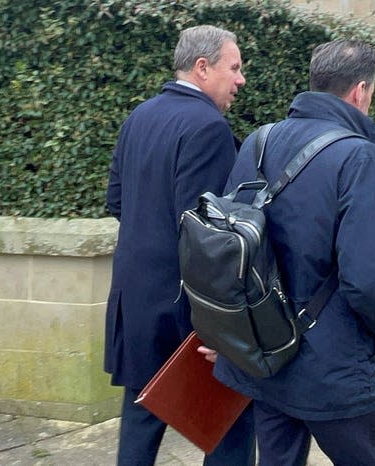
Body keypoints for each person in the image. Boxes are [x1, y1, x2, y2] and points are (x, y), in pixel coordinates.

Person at [213, 39, 375, 466]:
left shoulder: (258, 142)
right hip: (333, 368)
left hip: (267, 355)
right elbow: (370, 281)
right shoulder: (358, 156)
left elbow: (225, 248)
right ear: (360, 91)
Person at [104, 25, 254, 466]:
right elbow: (207, 238)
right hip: (187, 311)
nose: (240, 79)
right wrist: (224, 326)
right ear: (202, 67)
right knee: (228, 422)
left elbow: (117, 201)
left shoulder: (140, 116)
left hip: (136, 300)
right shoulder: (208, 126)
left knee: (141, 418)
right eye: (235, 67)